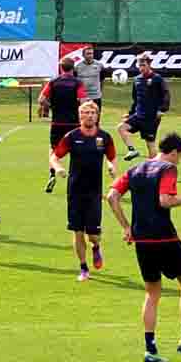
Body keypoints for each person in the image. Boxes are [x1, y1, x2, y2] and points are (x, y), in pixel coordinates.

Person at [106, 131, 181, 362]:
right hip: (164, 237)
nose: (179, 161)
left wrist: (126, 227)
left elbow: (112, 196)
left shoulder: (136, 169)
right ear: (172, 152)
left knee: (152, 293)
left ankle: (150, 349)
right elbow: (165, 200)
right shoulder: (168, 169)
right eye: (179, 157)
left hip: (142, 240)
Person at [53, 99, 115, 281]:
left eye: (92, 113)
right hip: (75, 191)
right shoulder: (71, 137)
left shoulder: (104, 137)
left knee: (93, 235)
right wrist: (58, 168)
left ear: (97, 116)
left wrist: (111, 166)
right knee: (77, 231)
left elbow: (111, 157)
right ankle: (83, 268)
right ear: (80, 116)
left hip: (94, 192)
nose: (89, 116)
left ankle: (96, 247)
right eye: (86, 113)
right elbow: (54, 156)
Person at [38, 57, 87, 193]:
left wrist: (52, 106)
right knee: (76, 150)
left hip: (57, 122)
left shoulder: (53, 82)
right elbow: (83, 102)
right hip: (73, 122)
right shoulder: (78, 83)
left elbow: (41, 99)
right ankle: (76, 180)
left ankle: (52, 174)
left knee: (53, 150)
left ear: (61, 68)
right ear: (73, 68)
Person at [116, 55, 170, 161]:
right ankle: (132, 150)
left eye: (143, 65)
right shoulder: (137, 80)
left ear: (149, 65)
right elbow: (135, 99)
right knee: (121, 128)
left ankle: (154, 169)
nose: (141, 68)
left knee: (150, 144)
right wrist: (130, 113)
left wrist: (162, 109)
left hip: (151, 117)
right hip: (138, 115)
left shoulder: (157, 79)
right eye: (139, 65)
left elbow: (166, 94)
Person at [72, 44, 104, 113]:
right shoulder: (77, 67)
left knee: (96, 119)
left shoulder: (99, 65)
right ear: (83, 55)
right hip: (83, 97)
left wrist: (99, 92)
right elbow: (74, 82)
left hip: (96, 97)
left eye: (92, 53)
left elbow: (102, 79)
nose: (90, 56)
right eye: (88, 54)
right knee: (82, 118)